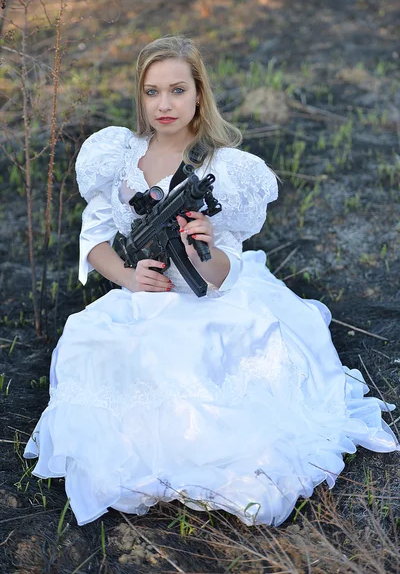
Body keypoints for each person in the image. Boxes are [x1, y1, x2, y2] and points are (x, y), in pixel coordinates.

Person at [24, 36, 399, 527]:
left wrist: (205, 244)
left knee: (199, 365)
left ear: (199, 93)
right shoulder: (116, 156)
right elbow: (93, 241)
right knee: (94, 348)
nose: (164, 104)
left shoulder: (223, 170)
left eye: (177, 90)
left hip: (210, 304)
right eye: (152, 91)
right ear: (139, 96)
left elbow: (222, 277)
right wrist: (127, 277)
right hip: (145, 296)